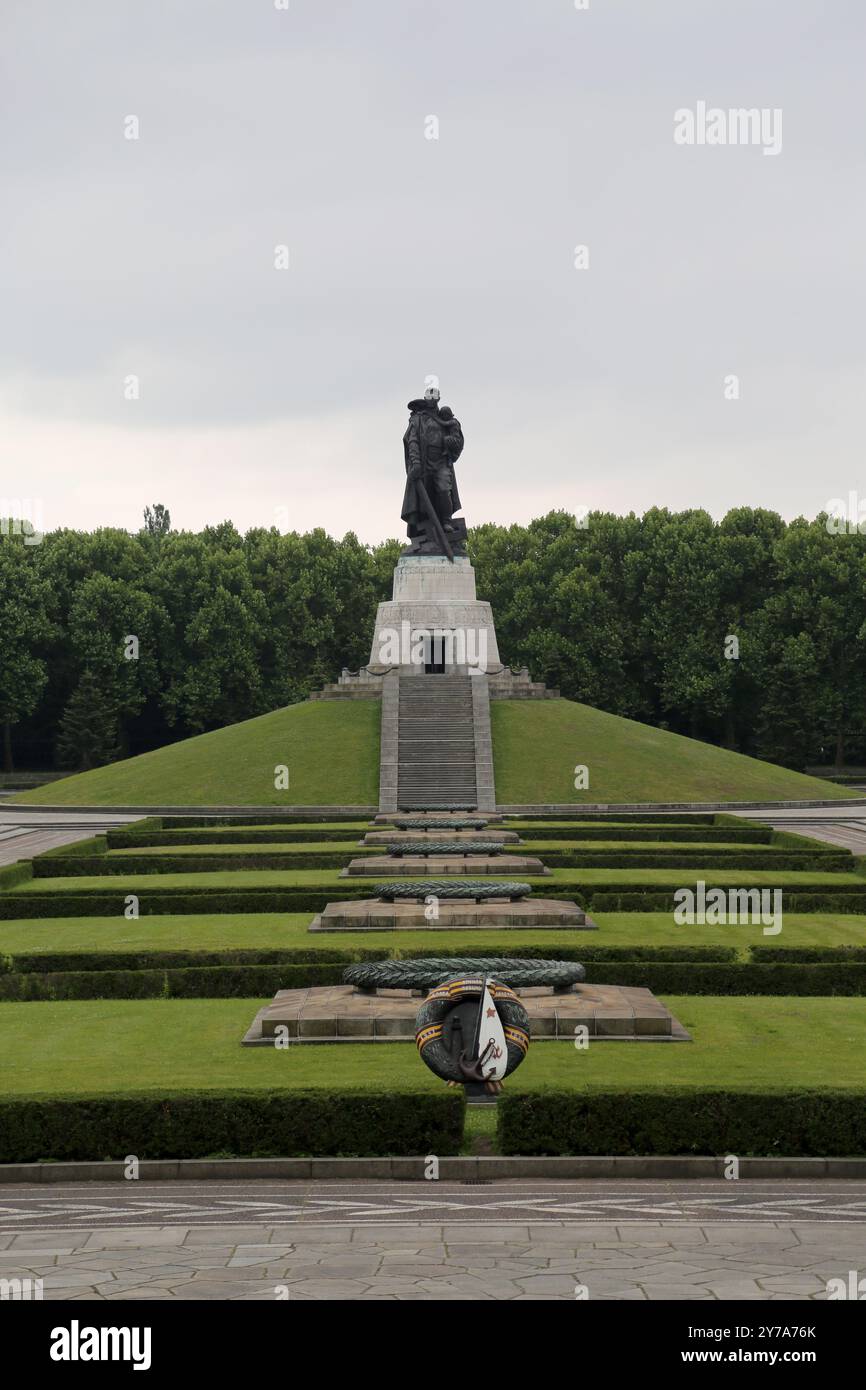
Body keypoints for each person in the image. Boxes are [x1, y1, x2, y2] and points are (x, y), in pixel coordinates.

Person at [401, 385, 464, 547]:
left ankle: (446, 522)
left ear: (438, 399)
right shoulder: (417, 419)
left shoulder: (445, 418)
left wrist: (450, 441)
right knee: (423, 498)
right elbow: (412, 440)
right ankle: (424, 530)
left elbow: (457, 441)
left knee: (444, 489)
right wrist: (414, 462)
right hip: (422, 464)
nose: (430, 402)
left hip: (441, 461)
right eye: (428, 399)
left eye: (433, 399)